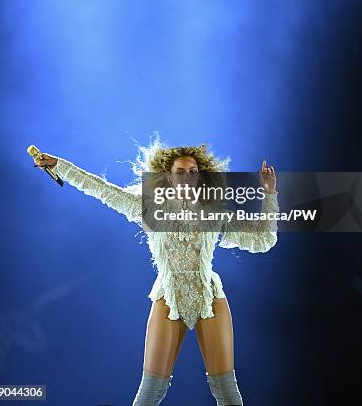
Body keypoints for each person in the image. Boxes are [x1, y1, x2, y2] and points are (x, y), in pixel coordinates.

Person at [33, 137, 279, 405]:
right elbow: (102, 189)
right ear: (168, 177)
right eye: (180, 172)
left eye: (193, 173)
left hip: (210, 299)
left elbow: (263, 240)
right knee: (150, 392)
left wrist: (269, 195)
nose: (187, 178)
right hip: (168, 297)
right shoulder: (149, 207)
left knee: (227, 392)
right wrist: (62, 166)